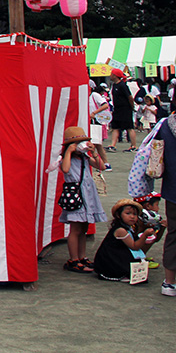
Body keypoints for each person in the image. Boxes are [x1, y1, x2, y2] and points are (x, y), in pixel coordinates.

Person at [58, 126, 107, 273]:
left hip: (88, 194)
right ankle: (73, 259)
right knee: (75, 228)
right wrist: (69, 151)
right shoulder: (66, 158)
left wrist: (93, 152)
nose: (83, 145)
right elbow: (65, 169)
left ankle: (82, 256)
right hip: (76, 194)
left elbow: (102, 166)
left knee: (84, 228)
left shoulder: (85, 157)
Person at [93, 199, 156, 281]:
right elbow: (134, 246)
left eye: (135, 214)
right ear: (119, 215)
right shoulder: (120, 230)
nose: (132, 217)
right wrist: (145, 235)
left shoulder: (128, 227)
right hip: (110, 261)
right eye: (128, 213)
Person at [154, 108, 176, 296]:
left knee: (173, 235)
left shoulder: (165, 125)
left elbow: (155, 154)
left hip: (172, 188)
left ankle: (169, 282)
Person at [107, 68, 136, 153]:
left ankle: (134, 146)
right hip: (117, 109)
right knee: (115, 127)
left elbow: (130, 97)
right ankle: (113, 145)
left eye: (111, 74)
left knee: (129, 127)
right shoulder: (114, 85)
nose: (110, 75)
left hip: (125, 109)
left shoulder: (123, 85)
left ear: (115, 75)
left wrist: (132, 106)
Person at [89, 82, 111, 171]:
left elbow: (105, 105)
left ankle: (104, 163)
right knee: (96, 144)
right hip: (89, 121)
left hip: (95, 121)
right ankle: (102, 163)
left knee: (96, 144)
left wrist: (94, 113)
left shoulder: (94, 95)